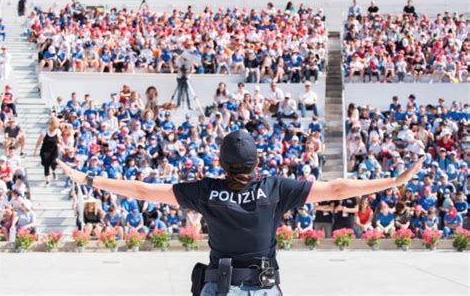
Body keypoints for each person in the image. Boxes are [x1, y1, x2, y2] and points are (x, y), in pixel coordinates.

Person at [58, 130, 424, 296]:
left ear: (221, 162)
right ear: (256, 162)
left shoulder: (204, 191)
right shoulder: (275, 189)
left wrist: (87, 176)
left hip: (219, 287)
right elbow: (339, 188)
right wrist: (393, 180)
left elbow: (139, 190)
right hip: (263, 288)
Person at [34, 117, 61, 186]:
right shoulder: (45, 131)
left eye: (55, 127)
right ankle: (47, 180)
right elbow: (39, 141)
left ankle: (54, 171)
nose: (53, 129)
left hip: (54, 149)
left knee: (54, 162)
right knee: (46, 164)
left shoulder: (57, 131)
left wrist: (61, 145)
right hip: (45, 150)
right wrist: (35, 150)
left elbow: (59, 140)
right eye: (53, 127)